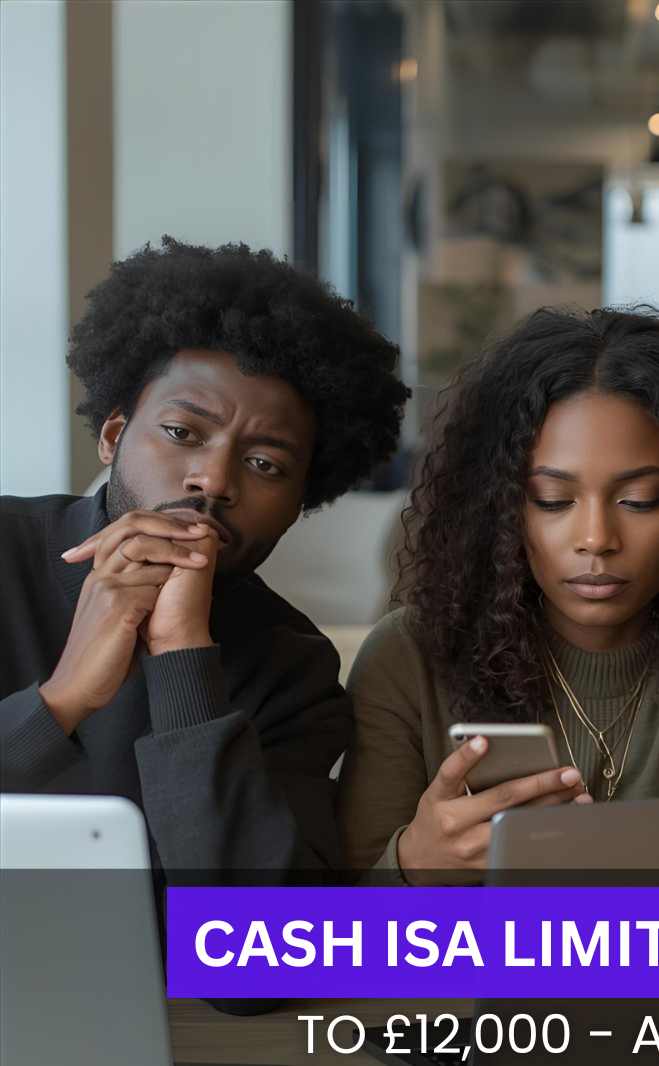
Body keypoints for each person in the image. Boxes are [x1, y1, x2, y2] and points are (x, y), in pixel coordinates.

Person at [338, 306, 659, 883]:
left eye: (640, 499)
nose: (596, 539)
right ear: (498, 507)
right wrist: (413, 864)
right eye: (551, 499)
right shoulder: (406, 659)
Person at [1, 238, 409, 883]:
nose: (213, 480)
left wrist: (185, 660)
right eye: (182, 433)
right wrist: (63, 699)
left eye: (265, 464)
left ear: (301, 500)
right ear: (113, 436)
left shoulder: (290, 668)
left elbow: (255, 968)